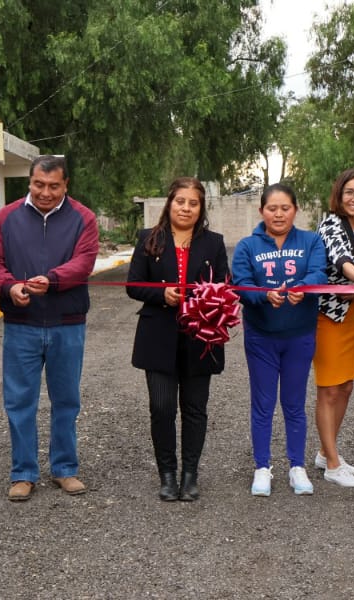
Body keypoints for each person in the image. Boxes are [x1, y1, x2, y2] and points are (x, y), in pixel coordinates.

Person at [0, 155, 99, 502]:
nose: (45, 192)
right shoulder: (6, 218)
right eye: (38, 184)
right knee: (19, 402)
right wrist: (8, 287)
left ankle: (65, 469)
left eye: (53, 186)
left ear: (65, 185)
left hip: (67, 324)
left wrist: (54, 280)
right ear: (29, 182)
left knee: (66, 400)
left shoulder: (84, 218)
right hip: (21, 325)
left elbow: (85, 261)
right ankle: (23, 472)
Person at [127, 177, 229, 501]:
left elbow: (225, 286)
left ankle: (190, 475)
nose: (186, 207)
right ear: (170, 203)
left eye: (193, 203)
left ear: (201, 208)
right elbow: (132, 285)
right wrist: (161, 294)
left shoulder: (214, 243)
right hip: (158, 336)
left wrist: (208, 297)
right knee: (162, 407)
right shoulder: (149, 239)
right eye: (180, 201)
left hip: (201, 337)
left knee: (195, 409)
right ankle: (167, 475)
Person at [232, 183, 327, 497]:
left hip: (299, 336)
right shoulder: (247, 246)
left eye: (285, 208)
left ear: (295, 210)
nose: (278, 214)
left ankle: (296, 466)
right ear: (261, 211)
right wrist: (262, 296)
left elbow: (319, 274)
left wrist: (303, 286)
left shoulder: (312, 241)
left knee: (294, 403)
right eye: (272, 208)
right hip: (261, 338)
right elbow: (241, 284)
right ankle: (262, 467)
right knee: (263, 404)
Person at [312, 168, 354, 488]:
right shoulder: (330, 224)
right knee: (329, 388)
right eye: (350, 192)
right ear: (339, 194)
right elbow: (340, 257)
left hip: (351, 312)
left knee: (347, 386)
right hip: (326, 314)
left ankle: (327, 451)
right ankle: (331, 464)